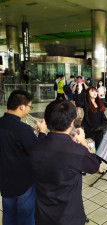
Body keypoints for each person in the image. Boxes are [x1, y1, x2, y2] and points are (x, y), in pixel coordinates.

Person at [30, 100, 101, 225]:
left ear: (46, 120)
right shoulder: (77, 151)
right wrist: (83, 142)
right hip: (69, 216)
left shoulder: (34, 146)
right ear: (72, 122)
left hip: (43, 215)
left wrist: (41, 132)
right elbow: (94, 166)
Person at [0, 90, 47, 225]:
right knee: (26, 217)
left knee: (8, 215)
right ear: (21, 106)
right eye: (29, 107)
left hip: (5, 181)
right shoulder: (22, 129)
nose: (28, 110)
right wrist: (42, 132)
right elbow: (37, 152)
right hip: (23, 182)